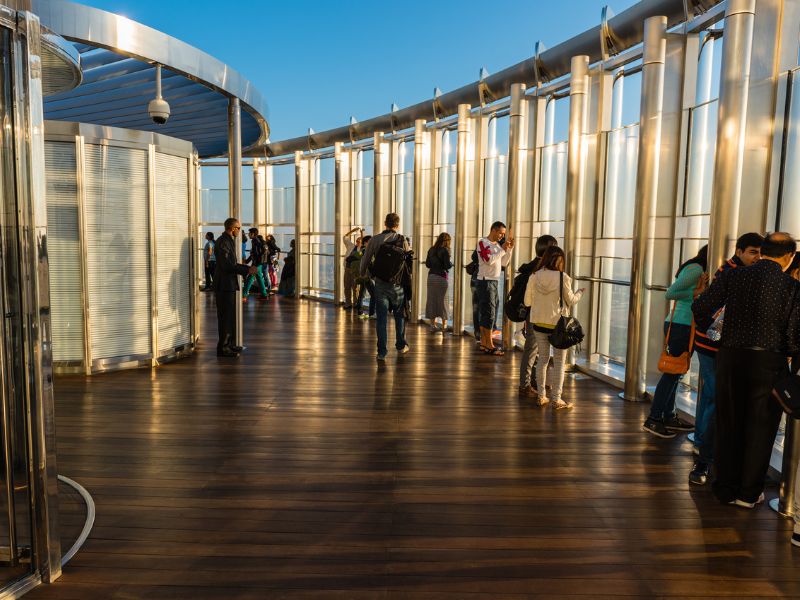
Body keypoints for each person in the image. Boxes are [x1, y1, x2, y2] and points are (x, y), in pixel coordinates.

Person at [694, 232, 800, 508]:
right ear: (788, 257)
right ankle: (748, 493)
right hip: (768, 362)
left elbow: (701, 306)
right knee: (761, 428)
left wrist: (716, 335)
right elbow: (794, 334)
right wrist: (786, 354)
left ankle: (725, 488)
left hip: (730, 357)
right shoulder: (791, 287)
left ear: (763, 251)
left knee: (728, 422)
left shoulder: (734, 276)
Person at [689, 232, 763, 485]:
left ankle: (702, 443)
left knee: (712, 395)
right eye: (753, 252)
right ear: (739, 251)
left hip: (712, 344)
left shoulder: (733, 272)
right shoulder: (729, 273)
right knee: (715, 396)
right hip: (713, 345)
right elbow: (704, 306)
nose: (757, 257)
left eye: (760, 253)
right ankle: (704, 449)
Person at [642, 246, 707, 439]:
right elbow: (671, 293)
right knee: (672, 374)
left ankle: (669, 416)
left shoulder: (696, 268)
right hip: (681, 325)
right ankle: (654, 418)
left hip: (686, 325)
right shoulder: (696, 268)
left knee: (677, 372)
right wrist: (697, 292)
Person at [522, 246, 583, 409]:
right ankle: (557, 398)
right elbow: (570, 300)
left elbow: (527, 302)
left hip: (539, 324)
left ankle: (542, 396)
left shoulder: (534, 276)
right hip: (558, 327)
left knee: (542, 361)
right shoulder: (564, 278)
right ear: (560, 260)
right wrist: (579, 293)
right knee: (559, 363)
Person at [360, 213, 411, 360]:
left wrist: (363, 274)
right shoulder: (402, 240)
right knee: (399, 315)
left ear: (385, 223)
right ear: (397, 224)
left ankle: (382, 352)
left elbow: (366, 258)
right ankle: (400, 345)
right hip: (397, 285)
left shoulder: (375, 239)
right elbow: (407, 262)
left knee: (381, 318)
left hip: (380, 284)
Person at [518, 234, 559, 397]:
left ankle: (533, 381)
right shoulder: (540, 270)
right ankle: (525, 384)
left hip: (533, 314)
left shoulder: (533, 267)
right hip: (538, 315)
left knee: (536, 349)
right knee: (533, 349)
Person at [214, 218, 258, 357]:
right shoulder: (223, 242)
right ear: (233, 229)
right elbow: (227, 265)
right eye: (239, 228)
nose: (240, 230)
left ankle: (230, 345)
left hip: (228, 285)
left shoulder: (227, 240)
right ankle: (224, 348)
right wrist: (247, 269)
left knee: (230, 316)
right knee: (225, 317)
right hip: (224, 285)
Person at [475, 221, 514, 355]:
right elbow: (489, 260)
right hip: (486, 282)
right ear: (493, 230)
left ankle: (484, 343)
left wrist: (509, 250)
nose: (501, 236)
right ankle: (489, 344)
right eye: (501, 233)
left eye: (503, 234)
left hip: (493, 281)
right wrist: (502, 249)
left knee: (487, 312)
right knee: (490, 313)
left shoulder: (497, 245)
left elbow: (503, 263)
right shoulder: (483, 243)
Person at [425, 233, 453, 333]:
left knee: (431, 300)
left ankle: (432, 325)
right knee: (444, 301)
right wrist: (451, 263)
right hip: (441, 278)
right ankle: (444, 326)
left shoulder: (431, 249)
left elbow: (428, 264)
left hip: (431, 277)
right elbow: (447, 265)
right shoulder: (446, 250)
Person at [242, 228, 268, 302]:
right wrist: (248, 261)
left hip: (257, 264)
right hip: (259, 263)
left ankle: (244, 295)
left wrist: (254, 264)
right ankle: (264, 295)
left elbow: (256, 254)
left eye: (249, 233)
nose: (248, 234)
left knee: (249, 279)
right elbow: (255, 253)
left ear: (253, 234)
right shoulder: (257, 241)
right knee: (259, 279)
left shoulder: (255, 241)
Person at [355, 235, 375, 320]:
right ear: (366, 242)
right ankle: (371, 313)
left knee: (361, 294)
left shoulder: (361, 251)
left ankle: (360, 312)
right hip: (366, 276)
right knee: (374, 295)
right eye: (370, 241)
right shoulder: (366, 251)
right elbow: (368, 263)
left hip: (361, 275)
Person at [343, 228, 363, 309]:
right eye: (357, 241)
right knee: (347, 286)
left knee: (355, 288)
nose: (357, 242)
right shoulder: (351, 246)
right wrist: (353, 231)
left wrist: (362, 234)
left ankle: (355, 303)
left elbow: (364, 246)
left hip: (355, 270)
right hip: (347, 269)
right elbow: (345, 237)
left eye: (359, 241)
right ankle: (348, 303)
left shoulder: (361, 250)